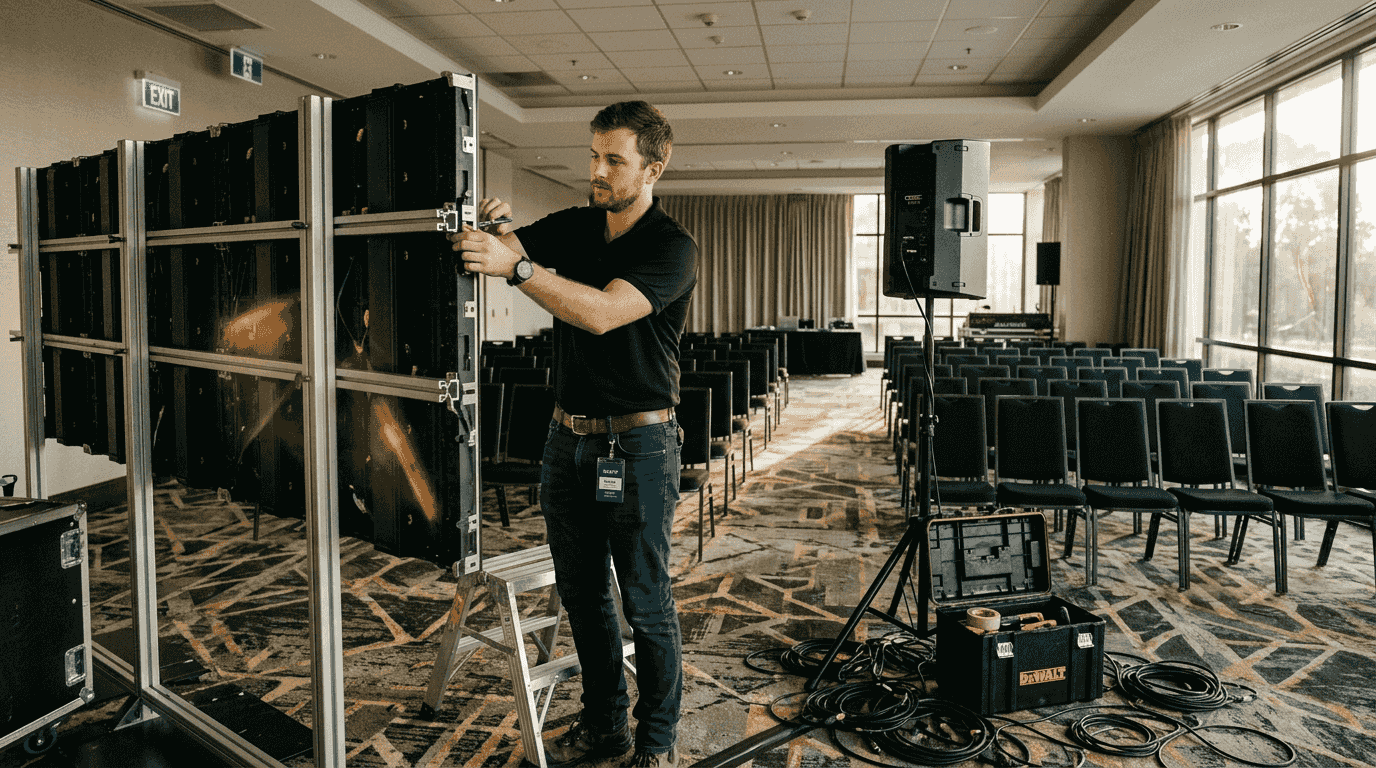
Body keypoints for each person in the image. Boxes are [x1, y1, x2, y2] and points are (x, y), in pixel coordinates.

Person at [450, 101, 696, 768]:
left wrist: (519, 269)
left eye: (614, 160)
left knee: (645, 602)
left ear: (654, 167)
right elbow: (509, 251)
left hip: (639, 446)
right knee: (583, 596)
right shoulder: (576, 225)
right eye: (594, 155)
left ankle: (656, 743)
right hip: (567, 441)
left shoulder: (672, 246)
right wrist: (491, 235)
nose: (597, 170)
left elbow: (604, 312)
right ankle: (606, 722)